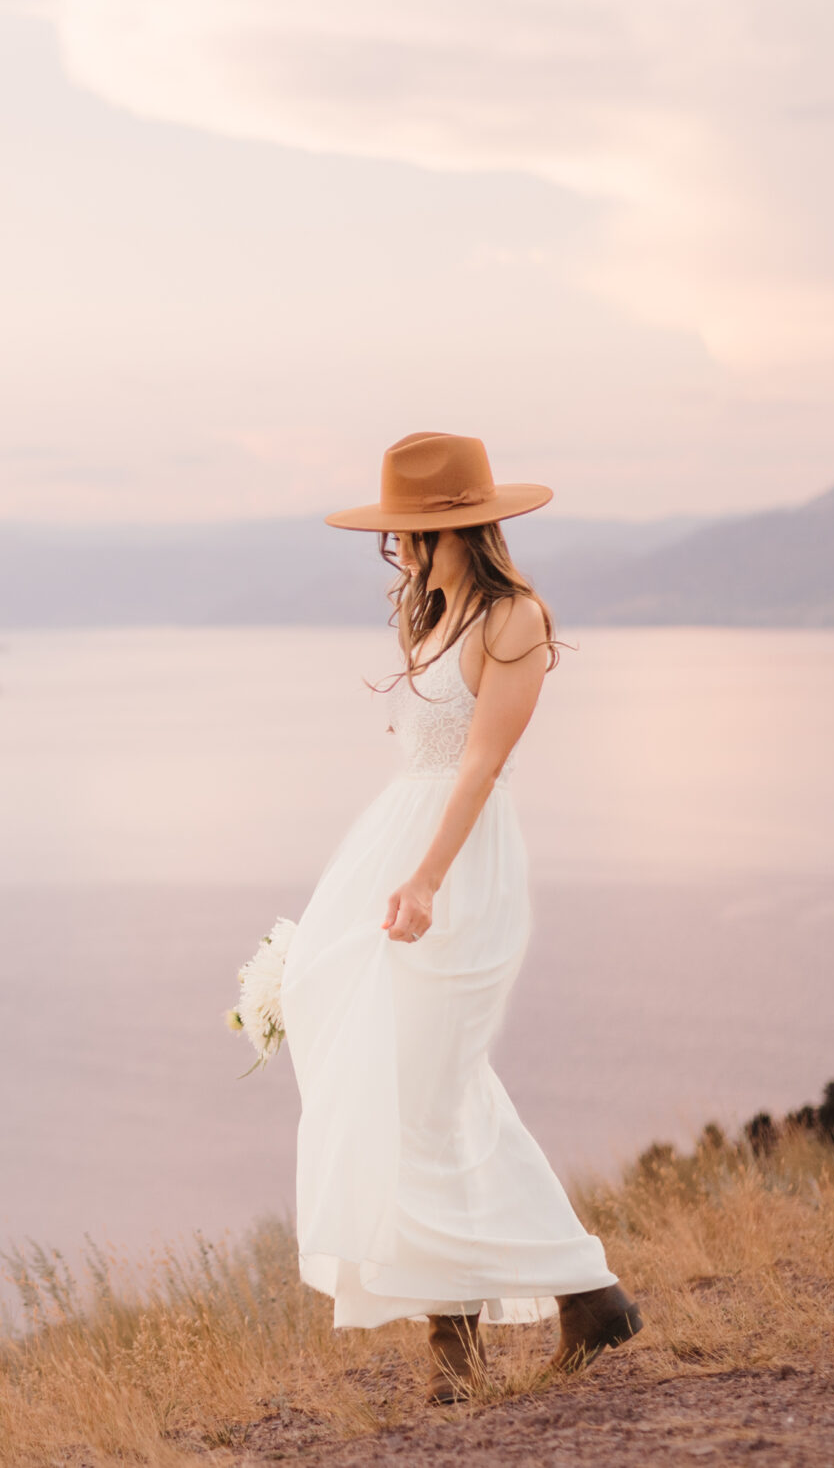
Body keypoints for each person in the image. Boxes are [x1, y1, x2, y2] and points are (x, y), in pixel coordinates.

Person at [279, 431, 642, 1403]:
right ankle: (567, 1302)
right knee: (425, 1090)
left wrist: (427, 879)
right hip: (402, 848)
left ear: (453, 528)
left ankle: (484, 1332)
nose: (396, 546)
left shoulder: (512, 615)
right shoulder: (435, 615)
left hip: (460, 867)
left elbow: (480, 761)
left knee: (427, 1091)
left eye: (407, 528)